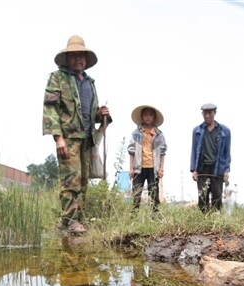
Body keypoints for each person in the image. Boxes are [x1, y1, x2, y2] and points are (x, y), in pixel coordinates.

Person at [42, 35, 111, 234]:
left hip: (86, 139)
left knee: (83, 182)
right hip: (69, 138)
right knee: (70, 180)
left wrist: (101, 113)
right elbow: (50, 108)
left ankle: (73, 221)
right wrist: (58, 138)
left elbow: (90, 112)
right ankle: (70, 221)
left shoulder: (90, 83)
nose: (78, 59)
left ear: (86, 59)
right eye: (74, 55)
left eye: (81, 55)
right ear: (68, 58)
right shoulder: (58, 78)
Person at [190, 103, 231, 213]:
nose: (207, 116)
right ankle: (203, 222)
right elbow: (194, 150)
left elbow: (227, 152)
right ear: (202, 114)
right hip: (202, 167)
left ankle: (216, 221)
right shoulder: (197, 131)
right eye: (205, 113)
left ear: (214, 113)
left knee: (217, 196)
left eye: (210, 113)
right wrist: (194, 169)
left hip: (217, 168)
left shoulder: (224, 131)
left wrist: (227, 170)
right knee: (203, 196)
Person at [127, 105, 167, 212]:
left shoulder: (159, 134)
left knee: (154, 193)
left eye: (150, 115)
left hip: (153, 168)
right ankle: (133, 216)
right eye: (145, 115)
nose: (148, 117)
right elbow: (131, 151)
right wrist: (131, 168)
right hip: (138, 167)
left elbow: (163, 152)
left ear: (154, 117)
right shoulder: (136, 133)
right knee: (136, 193)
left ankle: (155, 217)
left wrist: (161, 168)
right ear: (141, 116)